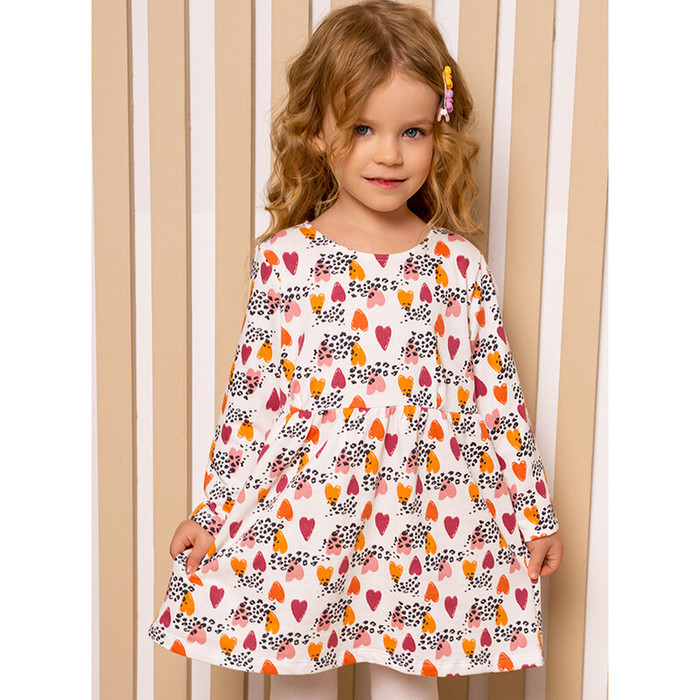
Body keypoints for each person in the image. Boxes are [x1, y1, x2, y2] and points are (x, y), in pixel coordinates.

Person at [148, 2, 563, 698]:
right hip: (309, 514)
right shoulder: (287, 261)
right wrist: (213, 511)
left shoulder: (457, 266)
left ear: (440, 134)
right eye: (364, 128)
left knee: (409, 684)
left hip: (424, 525)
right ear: (316, 132)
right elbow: (253, 399)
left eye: (413, 131)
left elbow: (496, 400)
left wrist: (533, 514)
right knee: (299, 676)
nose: (390, 154)